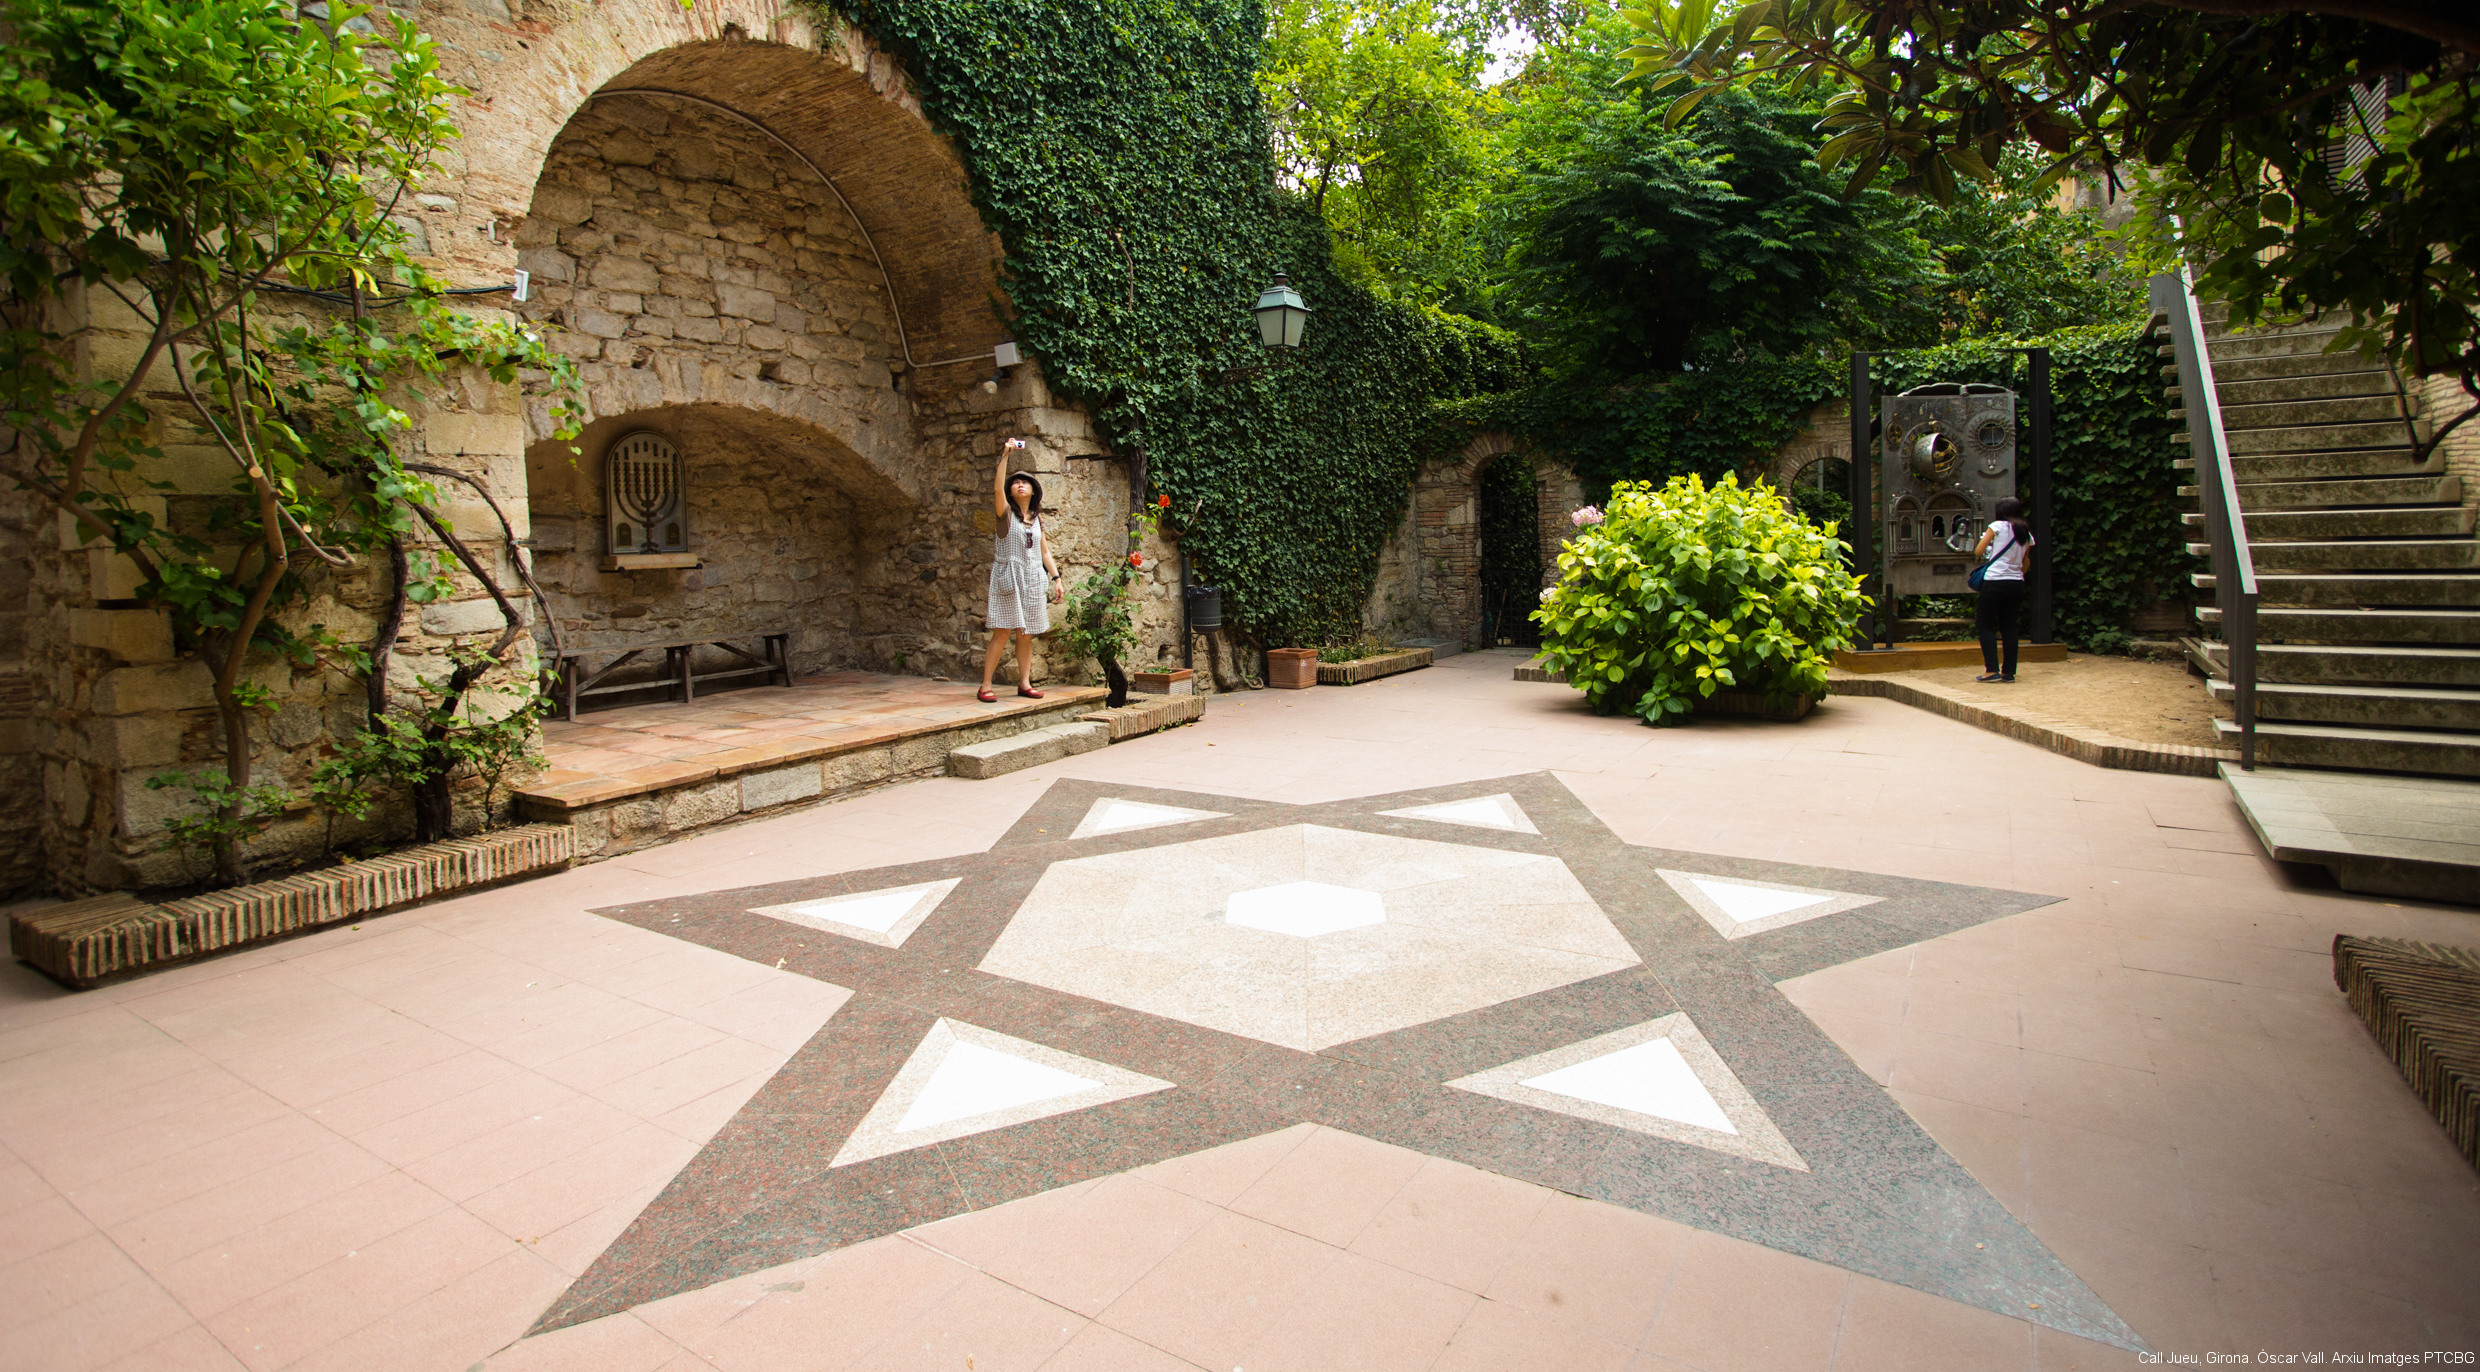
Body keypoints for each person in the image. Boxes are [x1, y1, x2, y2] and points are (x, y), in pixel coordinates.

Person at [979, 436, 1063, 703]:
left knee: (1025, 634)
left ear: (1033, 490)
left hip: (1033, 579)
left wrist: (1057, 578)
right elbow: (996, 491)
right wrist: (1005, 455)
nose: (1020, 484)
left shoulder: (1036, 518)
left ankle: (1025, 683)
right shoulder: (1004, 513)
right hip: (1009, 577)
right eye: (1015, 482)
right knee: (1002, 632)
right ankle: (985, 685)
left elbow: (1045, 552)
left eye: (1025, 482)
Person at [1971, 495, 2034, 683]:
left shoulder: (1997, 527)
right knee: (2009, 627)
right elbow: (2025, 562)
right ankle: (2009, 672)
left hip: (1995, 581)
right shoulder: (2025, 532)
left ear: (2000, 512)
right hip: (2016, 582)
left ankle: (1991, 670)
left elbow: (1978, 551)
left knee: (1985, 624)